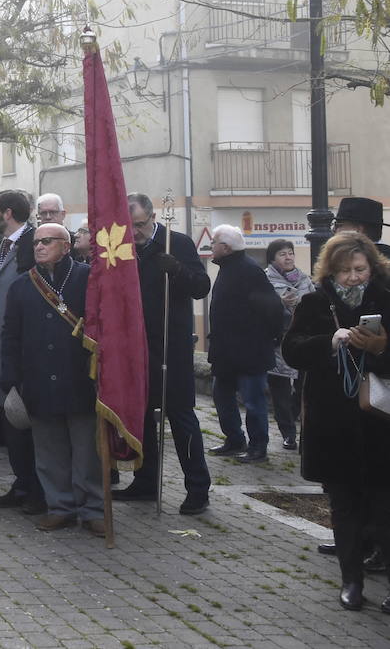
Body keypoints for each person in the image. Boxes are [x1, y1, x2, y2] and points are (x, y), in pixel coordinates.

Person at [283, 232, 390, 612]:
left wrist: (379, 348)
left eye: (359, 270)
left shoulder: (385, 299)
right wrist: (331, 341)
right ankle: (351, 582)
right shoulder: (315, 302)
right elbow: (292, 350)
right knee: (344, 506)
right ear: (331, 270)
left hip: (379, 420)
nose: (353, 278)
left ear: (371, 268)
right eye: (345, 271)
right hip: (333, 421)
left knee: (383, 505)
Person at [0, 222, 104, 535]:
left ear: (66, 245)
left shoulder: (88, 279)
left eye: (48, 241)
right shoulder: (21, 285)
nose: (40, 247)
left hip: (81, 379)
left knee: (88, 452)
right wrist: (11, 379)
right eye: (36, 243)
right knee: (49, 452)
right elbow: (10, 336)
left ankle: (94, 509)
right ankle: (60, 507)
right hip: (39, 380)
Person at [112, 192, 212, 515]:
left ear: (152, 217)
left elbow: (200, 286)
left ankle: (197, 487)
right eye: (130, 226)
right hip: (136, 347)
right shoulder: (122, 246)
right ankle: (144, 480)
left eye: (140, 225)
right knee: (140, 417)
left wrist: (177, 270)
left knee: (181, 417)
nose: (136, 232)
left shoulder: (176, 244)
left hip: (172, 346)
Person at [0, 189, 45, 514]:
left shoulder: (33, 244)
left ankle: (37, 487)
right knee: (10, 416)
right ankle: (21, 482)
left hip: (21, 345)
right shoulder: (1, 245)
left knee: (25, 418)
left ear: (7, 213)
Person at [206, 225, 285, 464]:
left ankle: (258, 447)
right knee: (222, 396)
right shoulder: (228, 267)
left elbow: (273, 309)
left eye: (214, 244)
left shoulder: (250, 270)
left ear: (226, 248)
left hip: (249, 350)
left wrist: (269, 337)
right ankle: (235, 439)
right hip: (226, 351)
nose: (211, 247)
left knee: (253, 401)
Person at [265, 239, 313, 450]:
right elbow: (261, 309)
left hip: (303, 341)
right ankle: (288, 434)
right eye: (282, 254)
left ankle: (295, 421)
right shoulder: (265, 280)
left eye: (290, 253)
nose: (288, 257)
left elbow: (315, 305)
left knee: (303, 387)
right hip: (278, 343)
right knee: (280, 391)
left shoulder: (304, 280)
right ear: (273, 259)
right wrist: (280, 304)